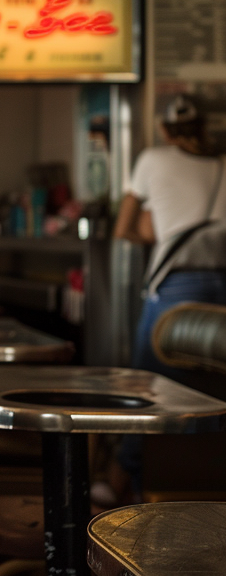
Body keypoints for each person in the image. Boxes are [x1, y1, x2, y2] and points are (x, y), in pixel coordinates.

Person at [98, 95, 226, 506]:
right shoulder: (223, 164)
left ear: (166, 130)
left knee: (149, 387)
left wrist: (161, 236)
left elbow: (125, 229)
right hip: (221, 286)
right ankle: (199, 485)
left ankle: (121, 481)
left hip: (174, 288)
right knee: (212, 388)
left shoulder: (152, 159)